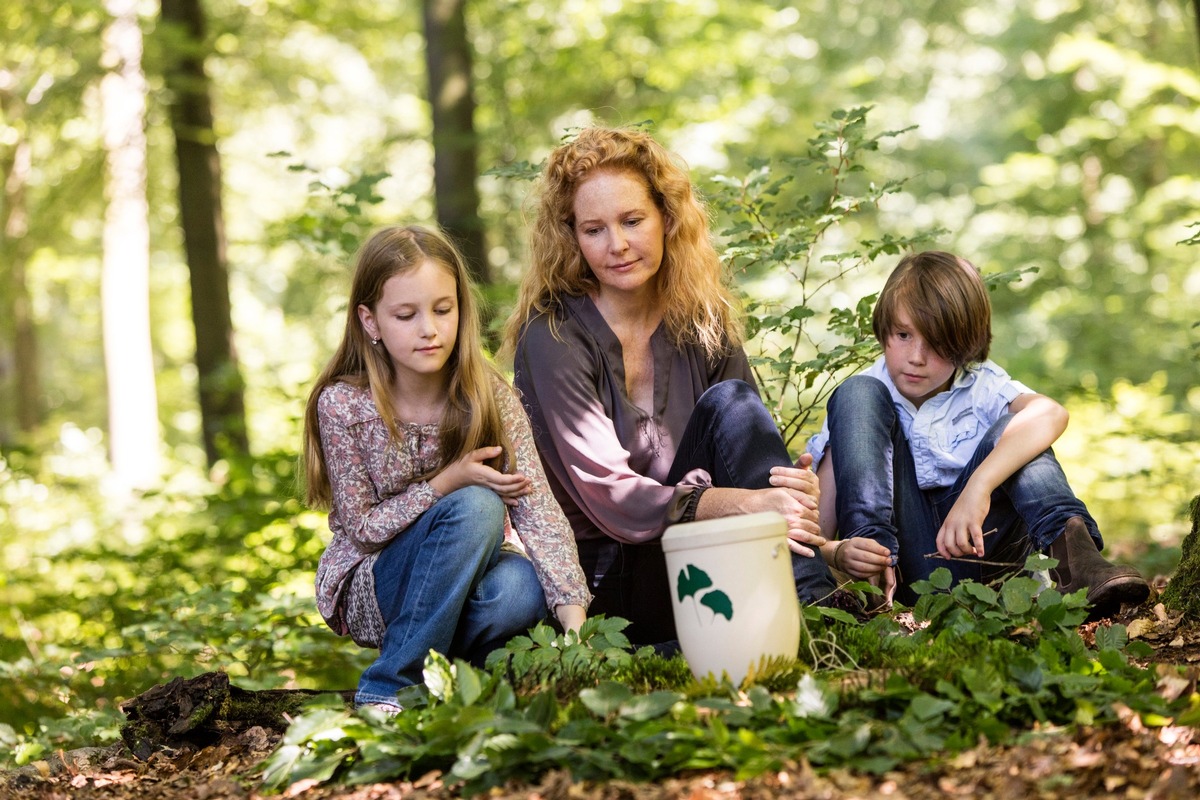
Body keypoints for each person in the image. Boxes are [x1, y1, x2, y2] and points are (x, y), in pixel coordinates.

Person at [502, 126, 839, 647]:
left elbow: (746, 452)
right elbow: (614, 500)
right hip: (602, 592)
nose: (616, 245)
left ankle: (815, 609)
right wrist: (749, 505)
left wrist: (790, 492)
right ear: (572, 236)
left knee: (733, 403)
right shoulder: (552, 335)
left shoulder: (698, 318)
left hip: (708, 561)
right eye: (594, 230)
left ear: (667, 217)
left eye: (632, 220)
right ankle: (808, 615)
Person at [302, 225, 590, 714]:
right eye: (406, 315)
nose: (429, 329)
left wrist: (578, 625)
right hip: (376, 582)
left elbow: (538, 511)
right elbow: (365, 529)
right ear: (370, 321)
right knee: (478, 502)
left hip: (464, 585)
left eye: (442, 309)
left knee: (520, 588)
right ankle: (388, 687)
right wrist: (447, 482)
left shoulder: (491, 399)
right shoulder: (345, 405)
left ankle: (457, 691)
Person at [807, 250, 1150, 616]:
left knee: (1017, 429)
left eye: (935, 343)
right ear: (884, 330)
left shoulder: (982, 385)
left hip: (987, 559)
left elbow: (1051, 413)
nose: (916, 357)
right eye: (903, 335)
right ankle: (870, 583)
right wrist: (837, 552)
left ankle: (1078, 564)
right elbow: (819, 535)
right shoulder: (861, 399)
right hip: (905, 572)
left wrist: (978, 488)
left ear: (963, 343)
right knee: (857, 392)